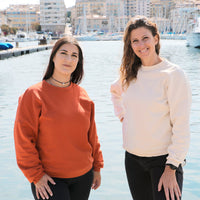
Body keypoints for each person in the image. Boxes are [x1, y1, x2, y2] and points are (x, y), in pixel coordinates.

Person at [110, 16, 191, 200]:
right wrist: (124, 117)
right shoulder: (129, 74)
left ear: (156, 39)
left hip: (164, 162)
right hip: (133, 160)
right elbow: (114, 92)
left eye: (145, 38)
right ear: (130, 45)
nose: (141, 45)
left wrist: (171, 167)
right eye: (135, 41)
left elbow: (181, 125)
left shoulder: (173, 74)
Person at [14, 36, 104, 200]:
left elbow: (92, 136)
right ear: (53, 56)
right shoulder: (33, 95)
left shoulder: (83, 95)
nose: (68, 59)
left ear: (78, 62)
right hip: (49, 180)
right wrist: (36, 175)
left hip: (83, 176)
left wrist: (97, 167)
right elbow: (23, 140)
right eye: (64, 53)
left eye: (74, 55)